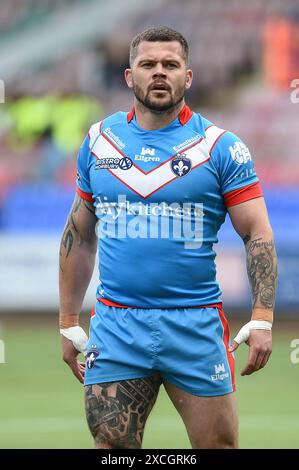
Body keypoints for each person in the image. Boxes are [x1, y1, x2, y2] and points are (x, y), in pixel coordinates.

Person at [59, 26, 277, 449]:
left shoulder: (221, 148)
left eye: (170, 65)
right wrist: (68, 322)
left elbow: (258, 233)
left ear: (187, 77)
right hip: (118, 326)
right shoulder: (98, 142)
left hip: (194, 323)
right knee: (113, 449)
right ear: (129, 76)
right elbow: (79, 235)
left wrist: (263, 316)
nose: (159, 73)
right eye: (148, 64)